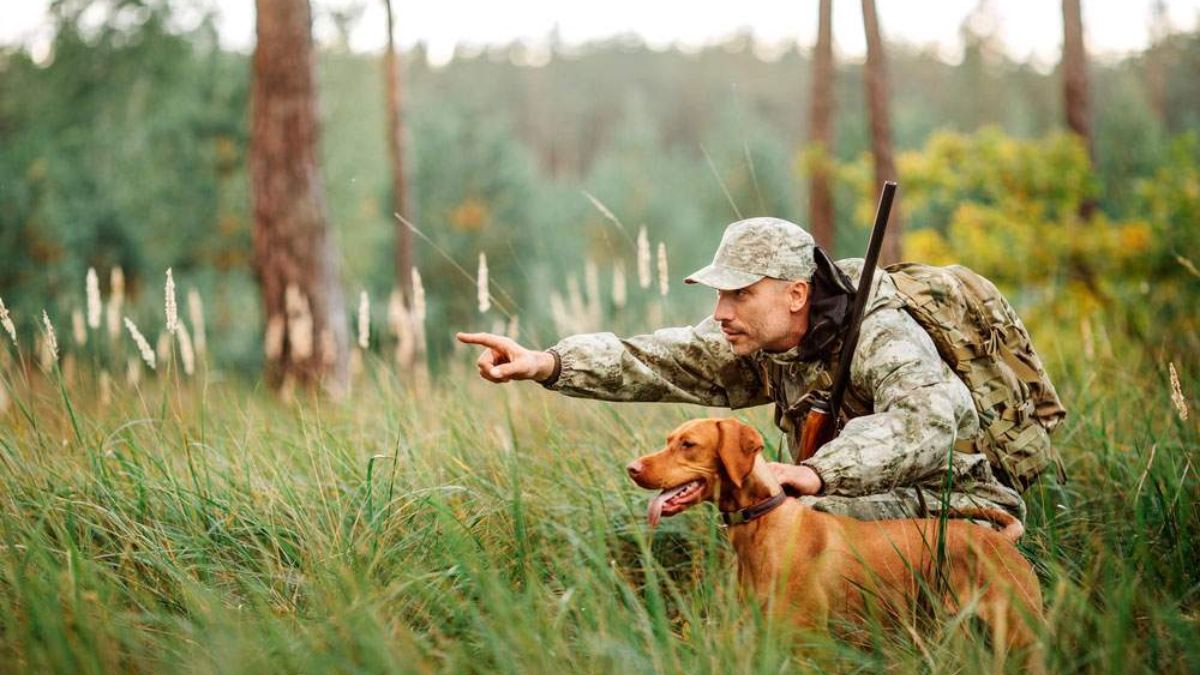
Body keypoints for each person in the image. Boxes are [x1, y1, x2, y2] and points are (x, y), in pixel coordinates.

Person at [457, 217, 1025, 523]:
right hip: (850, 497)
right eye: (720, 294)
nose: (722, 313)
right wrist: (546, 362)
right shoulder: (756, 337)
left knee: (799, 514)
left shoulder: (880, 332)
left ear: (797, 294)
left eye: (741, 294)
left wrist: (816, 474)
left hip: (958, 499)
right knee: (774, 514)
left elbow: (928, 423)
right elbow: (655, 359)